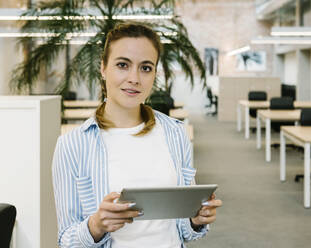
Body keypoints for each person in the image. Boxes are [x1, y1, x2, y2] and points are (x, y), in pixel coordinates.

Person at [52, 22, 222, 248]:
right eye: (123, 65)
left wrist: (196, 220)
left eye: (145, 68)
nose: (134, 78)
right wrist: (96, 225)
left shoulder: (175, 134)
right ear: (103, 68)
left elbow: (184, 230)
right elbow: (66, 239)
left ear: (154, 74)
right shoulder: (72, 145)